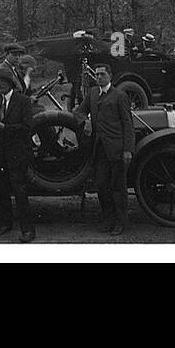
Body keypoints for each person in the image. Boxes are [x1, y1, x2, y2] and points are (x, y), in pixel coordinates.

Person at [74, 64, 136, 236]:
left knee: (118, 188)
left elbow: (128, 124)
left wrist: (127, 150)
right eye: (97, 74)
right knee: (102, 185)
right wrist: (84, 121)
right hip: (99, 149)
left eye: (102, 74)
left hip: (117, 149)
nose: (99, 77)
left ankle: (120, 222)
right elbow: (79, 111)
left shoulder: (120, 96)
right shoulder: (93, 93)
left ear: (110, 76)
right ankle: (107, 218)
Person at [0, 65, 37, 242]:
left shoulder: (23, 101)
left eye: (3, 81)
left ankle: (28, 230)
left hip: (17, 154)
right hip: (0, 155)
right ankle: (5, 223)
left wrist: (6, 128)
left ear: (11, 83)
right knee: (1, 191)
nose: (0, 84)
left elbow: (28, 128)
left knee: (20, 192)